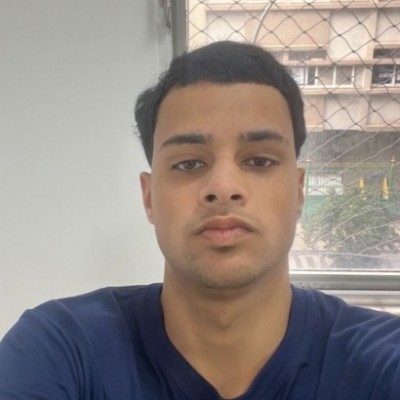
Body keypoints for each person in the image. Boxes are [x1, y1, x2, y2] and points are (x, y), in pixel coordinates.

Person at [0, 41, 399, 400]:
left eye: (259, 161)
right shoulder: (60, 349)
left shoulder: (381, 363)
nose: (223, 188)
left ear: (298, 192)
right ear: (149, 197)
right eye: (189, 163)